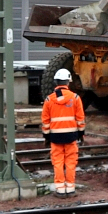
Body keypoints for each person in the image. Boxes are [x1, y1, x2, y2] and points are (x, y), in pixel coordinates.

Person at [41, 68, 85, 198]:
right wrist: (81, 134)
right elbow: (80, 119)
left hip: (55, 137)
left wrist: (46, 137)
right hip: (71, 136)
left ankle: (60, 190)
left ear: (56, 82)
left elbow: (45, 121)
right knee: (71, 162)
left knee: (58, 162)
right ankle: (70, 188)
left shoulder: (49, 100)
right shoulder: (75, 98)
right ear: (68, 82)